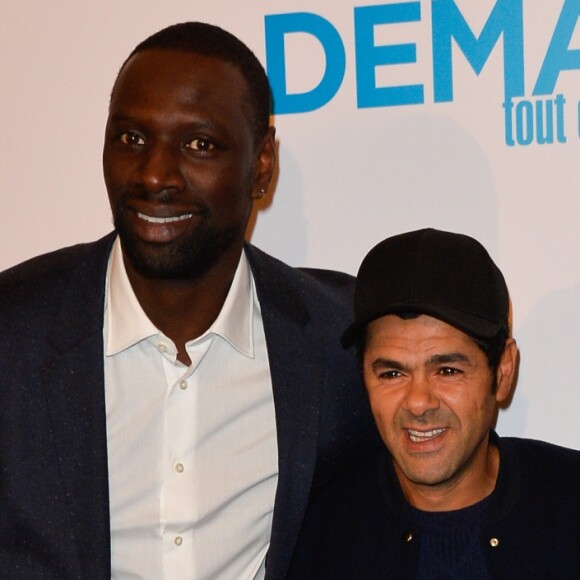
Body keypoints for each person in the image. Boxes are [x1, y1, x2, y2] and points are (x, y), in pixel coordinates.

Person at [0, 22, 378, 579]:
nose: (154, 174)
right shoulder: (13, 334)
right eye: (131, 139)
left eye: (199, 145)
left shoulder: (339, 339)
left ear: (262, 166)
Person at [288, 228, 580, 579]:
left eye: (447, 370)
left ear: (502, 372)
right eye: (392, 374)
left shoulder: (569, 504)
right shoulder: (316, 534)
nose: (418, 403)